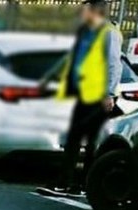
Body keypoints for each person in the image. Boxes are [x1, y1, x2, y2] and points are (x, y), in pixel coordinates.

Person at [44, 0, 122, 197]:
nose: (81, 12)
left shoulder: (108, 33)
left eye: (85, 8)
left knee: (90, 141)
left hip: (97, 94)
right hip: (82, 92)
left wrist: (109, 93)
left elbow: (114, 65)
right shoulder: (85, 31)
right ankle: (68, 183)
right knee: (75, 138)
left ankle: (82, 184)